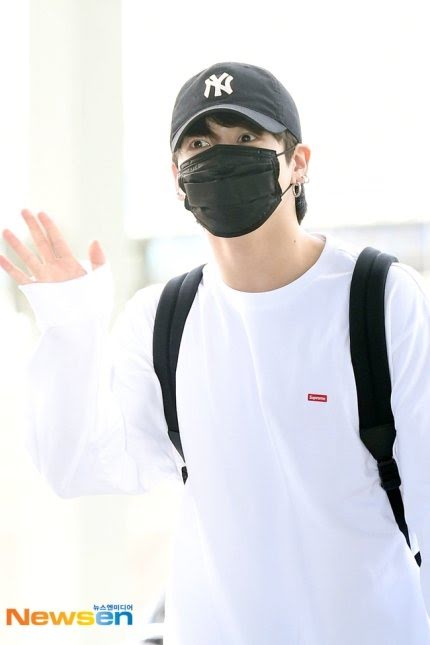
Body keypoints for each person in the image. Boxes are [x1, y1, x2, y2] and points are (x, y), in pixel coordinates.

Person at [1, 60, 430, 645]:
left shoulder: (380, 298)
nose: (221, 157)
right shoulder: (162, 318)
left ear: (298, 161)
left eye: (247, 137)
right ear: (177, 178)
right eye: (200, 144)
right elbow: (76, 467)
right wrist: (71, 327)